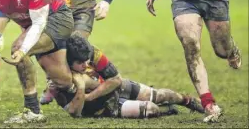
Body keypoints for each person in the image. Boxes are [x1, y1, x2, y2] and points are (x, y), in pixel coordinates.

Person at [47, 33, 205, 118]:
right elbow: (75, 112)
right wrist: (81, 87)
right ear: (69, 61)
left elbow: (116, 79)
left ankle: (188, 101)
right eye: (80, 63)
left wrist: (90, 94)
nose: (86, 64)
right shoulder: (60, 76)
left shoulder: (93, 53)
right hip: (103, 107)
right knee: (151, 109)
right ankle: (168, 110)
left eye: (87, 61)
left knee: (159, 95)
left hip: (115, 87)